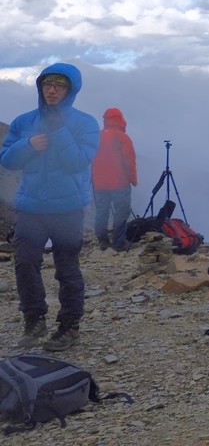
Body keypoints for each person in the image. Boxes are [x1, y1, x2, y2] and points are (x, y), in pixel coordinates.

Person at [1, 63, 99, 351]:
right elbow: (7, 160)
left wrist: (60, 133)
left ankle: (69, 326)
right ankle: (34, 320)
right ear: (40, 87)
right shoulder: (24, 122)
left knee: (67, 268)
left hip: (68, 208)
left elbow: (79, 161)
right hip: (31, 206)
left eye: (59, 86)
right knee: (25, 262)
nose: (52, 90)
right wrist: (29, 144)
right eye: (47, 85)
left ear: (71, 90)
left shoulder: (84, 123)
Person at [92, 107, 138, 251]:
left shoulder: (96, 137)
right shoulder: (122, 137)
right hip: (119, 182)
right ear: (119, 119)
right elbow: (129, 161)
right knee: (122, 210)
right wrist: (133, 180)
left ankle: (103, 241)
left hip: (99, 183)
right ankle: (119, 242)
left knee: (101, 211)